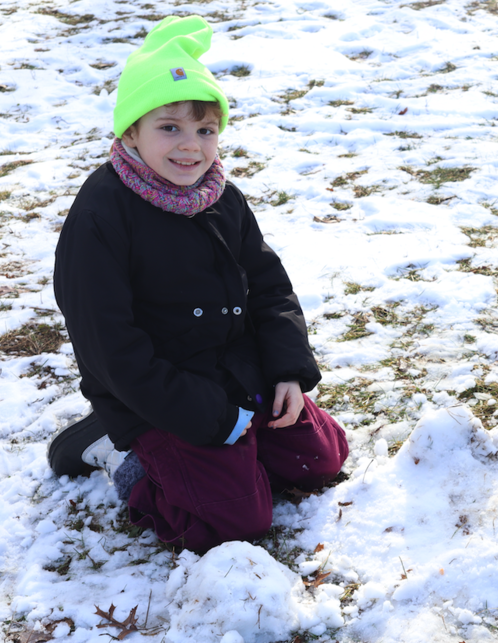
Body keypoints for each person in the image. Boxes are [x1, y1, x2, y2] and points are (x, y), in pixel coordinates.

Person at [51, 15, 348, 553]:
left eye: (205, 130)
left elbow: (269, 285)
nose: (191, 146)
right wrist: (209, 419)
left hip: (241, 375)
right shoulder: (101, 216)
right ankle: (123, 458)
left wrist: (286, 371)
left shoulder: (220, 197)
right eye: (170, 127)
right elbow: (111, 348)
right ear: (131, 131)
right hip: (157, 396)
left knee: (320, 460)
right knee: (234, 522)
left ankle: (235, 461)